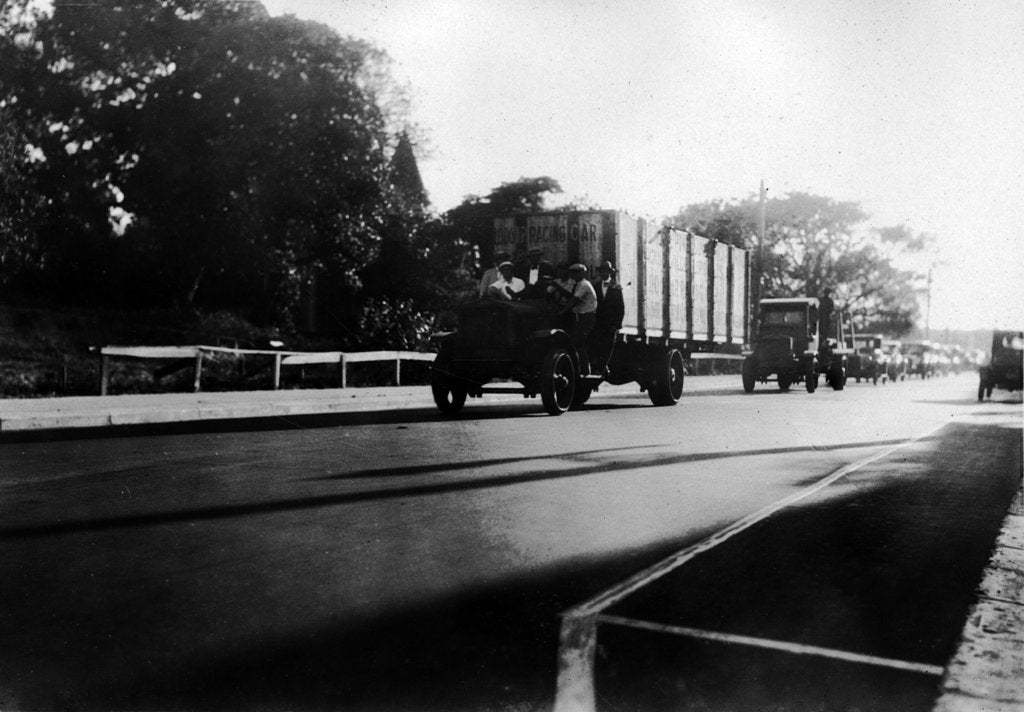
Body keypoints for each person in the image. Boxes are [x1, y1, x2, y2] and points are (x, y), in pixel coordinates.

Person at [559, 263, 598, 374]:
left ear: (583, 273)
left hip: (586, 317)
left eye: (577, 272)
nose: (574, 275)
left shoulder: (584, 285)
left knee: (578, 342)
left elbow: (573, 301)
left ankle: (584, 370)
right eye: (572, 273)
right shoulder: (577, 284)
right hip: (580, 317)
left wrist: (561, 312)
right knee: (576, 342)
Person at [589, 260, 625, 375]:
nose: (604, 274)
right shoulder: (595, 286)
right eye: (602, 271)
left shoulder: (616, 287)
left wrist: (616, 324)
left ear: (610, 273)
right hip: (598, 322)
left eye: (607, 272)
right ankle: (597, 367)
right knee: (596, 344)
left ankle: (603, 366)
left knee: (608, 345)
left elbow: (620, 308)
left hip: (610, 324)